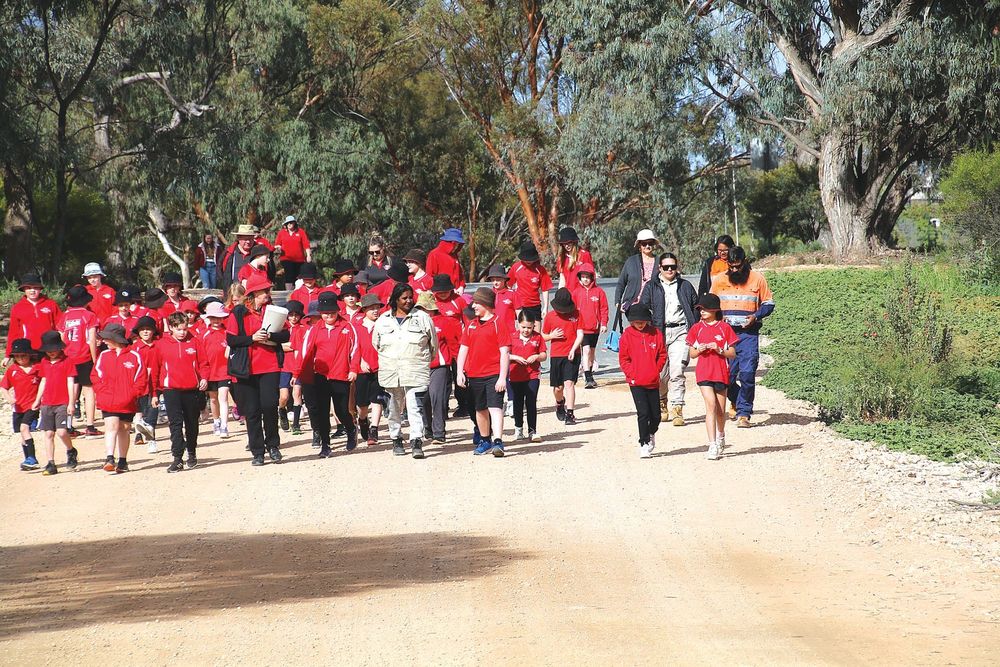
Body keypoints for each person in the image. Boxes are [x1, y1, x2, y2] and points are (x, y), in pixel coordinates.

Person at [226, 273, 290, 466]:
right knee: (252, 412)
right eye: (264, 292)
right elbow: (231, 340)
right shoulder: (238, 313)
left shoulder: (274, 310)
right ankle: (257, 452)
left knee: (270, 406)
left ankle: (273, 446)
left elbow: (286, 334)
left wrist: (270, 335)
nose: (268, 295)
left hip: (269, 365)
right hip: (246, 368)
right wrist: (252, 338)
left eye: (268, 291)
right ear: (253, 294)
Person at [710, 246, 774, 427]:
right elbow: (711, 306)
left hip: (748, 334)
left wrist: (756, 316)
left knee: (747, 374)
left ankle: (744, 414)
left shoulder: (758, 278)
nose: (735, 270)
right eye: (732, 267)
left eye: (738, 266)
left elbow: (769, 303)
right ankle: (739, 402)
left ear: (745, 262)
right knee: (725, 377)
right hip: (726, 335)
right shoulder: (719, 280)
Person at [372, 283, 438, 458]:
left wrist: (420, 361)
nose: (409, 301)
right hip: (391, 373)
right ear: (395, 300)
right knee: (393, 408)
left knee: (415, 407)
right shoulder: (383, 320)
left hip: (416, 371)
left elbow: (433, 347)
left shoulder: (423, 318)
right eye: (404, 298)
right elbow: (376, 344)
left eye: (411, 297)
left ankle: (416, 441)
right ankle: (396, 438)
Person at [637, 252, 698, 425]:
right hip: (659, 333)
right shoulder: (651, 286)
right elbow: (644, 308)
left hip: (681, 332)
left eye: (673, 266)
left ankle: (677, 408)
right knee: (661, 374)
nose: (670, 270)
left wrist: (693, 327)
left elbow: (695, 306)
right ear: (660, 268)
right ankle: (662, 400)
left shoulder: (685, 286)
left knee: (677, 371)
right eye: (666, 267)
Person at [299, 292, 360, 457]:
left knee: (341, 411)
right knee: (322, 411)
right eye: (325, 313)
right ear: (320, 313)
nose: (329, 316)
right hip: (320, 375)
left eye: (332, 312)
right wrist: (302, 373)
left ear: (337, 311)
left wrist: (354, 369)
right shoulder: (314, 329)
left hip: (341, 374)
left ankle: (350, 429)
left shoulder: (347, 327)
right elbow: (306, 352)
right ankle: (325, 445)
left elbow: (355, 350)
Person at [152, 312, 209, 472]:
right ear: (171, 328)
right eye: (178, 329)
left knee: (192, 423)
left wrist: (204, 378)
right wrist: (155, 393)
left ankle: (191, 451)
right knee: (175, 424)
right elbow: (155, 370)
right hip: (171, 390)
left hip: (192, 389)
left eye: (185, 328)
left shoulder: (195, 342)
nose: (182, 332)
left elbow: (204, 363)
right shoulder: (161, 344)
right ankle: (177, 457)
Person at [456, 287, 511, 456]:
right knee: (480, 409)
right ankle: (485, 440)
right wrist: (459, 372)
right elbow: (463, 350)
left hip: (493, 374)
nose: (473, 306)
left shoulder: (497, 323)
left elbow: (505, 352)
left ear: (486, 304)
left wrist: (502, 377)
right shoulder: (471, 325)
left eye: (477, 303)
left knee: (495, 407)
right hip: (474, 375)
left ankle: (498, 441)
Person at [686, 293, 739, 460]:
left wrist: (719, 349)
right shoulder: (696, 328)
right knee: (710, 405)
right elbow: (692, 354)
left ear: (715, 310)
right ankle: (712, 444)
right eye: (700, 309)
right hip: (703, 372)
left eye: (705, 309)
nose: (701, 312)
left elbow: (732, 354)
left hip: (721, 372)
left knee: (720, 411)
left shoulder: (725, 328)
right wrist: (699, 349)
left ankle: (721, 434)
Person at [91, 324, 146, 473]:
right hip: (108, 400)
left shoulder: (134, 356)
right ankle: (109, 458)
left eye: (107, 338)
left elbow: (141, 379)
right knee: (112, 426)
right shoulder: (104, 355)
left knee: (124, 429)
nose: (104, 341)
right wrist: (101, 391)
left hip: (127, 401)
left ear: (116, 339)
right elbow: (95, 376)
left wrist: (132, 394)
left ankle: (123, 461)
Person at [618, 303, 667, 458]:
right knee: (643, 413)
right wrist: (631, 374)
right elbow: (624, 359)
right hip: (636, 382)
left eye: (642, 321)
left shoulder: (656, 333)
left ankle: (651, 433)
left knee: (656, 416)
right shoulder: (627, 335)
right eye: (636, 322)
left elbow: (662, 354)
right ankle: (643, 443)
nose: (639, 324)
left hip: (652, 380)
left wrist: (656, 369)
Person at [416, 291, 459, 445]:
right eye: (420, 308)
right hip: (421, 366)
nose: (423, 311)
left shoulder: (444, 321)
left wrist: (460, 367)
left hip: (440, 366)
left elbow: (454, 346)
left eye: (425, 308)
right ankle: (428, 427)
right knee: (424, 399)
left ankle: (439, 432)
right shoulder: (414, 322)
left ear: (432, 308)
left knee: (437, 397)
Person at [33, 330, 78, 476]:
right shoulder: (44, 362)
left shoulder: (67, 361)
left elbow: (70, 382)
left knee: (62, 432)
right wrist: (37, 400)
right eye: (48, 350)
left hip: (62, 402)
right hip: (47, 402)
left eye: (54, 349)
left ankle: (71, 450)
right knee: (48, 433)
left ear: (60, 347)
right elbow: (43, 381)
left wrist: (72, 403)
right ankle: (50, 463)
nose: (51, 352)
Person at [57, 285, 100, 437]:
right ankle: (90, 425)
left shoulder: (65, 316)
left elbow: (61, 338)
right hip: (84, 357)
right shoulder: (89, 316)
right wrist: (95, 361)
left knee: (71, 391)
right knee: (89, 390)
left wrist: (61, 356)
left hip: (68, 357)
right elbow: (91, 340)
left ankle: (68, 425)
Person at [542, 287, 584, 425]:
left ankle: (570, 414)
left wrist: (573, 349)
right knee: (558, 388)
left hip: (572, 353)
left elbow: (580, 334)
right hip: (556, 355)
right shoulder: (550, 316)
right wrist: (551, 336)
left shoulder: (577, 314)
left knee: (569, 384)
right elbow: (542, 336)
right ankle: (560, 403)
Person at [4, 273, 61, 367]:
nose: (32, 291)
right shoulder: (17, 308)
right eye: (29, 288)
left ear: (40, 289)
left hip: (49, 347)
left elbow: (60, 326)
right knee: (32, 377)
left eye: (36, 287)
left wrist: (61, 346)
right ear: (24, 289)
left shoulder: (51, 304)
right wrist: (8, 354)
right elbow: (13, 332)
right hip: (28, 349)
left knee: (50, 376)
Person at [1, 338, 41, 470]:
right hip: (18, 407)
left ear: (30, 354)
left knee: (25, 428)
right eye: (17, 356)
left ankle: (32, 458)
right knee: (22, 434)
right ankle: (27, 460)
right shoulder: (13, 370)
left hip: (33, 405)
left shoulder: (36, 368)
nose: (21, 358)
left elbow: (45, 384)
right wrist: (9, 399)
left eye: (23, 355)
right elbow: (3, 387)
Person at [508, 311, 546, 442]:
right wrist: (514, 357)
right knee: (517, 402)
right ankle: (518, 429)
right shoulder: (511, 337)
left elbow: (544, 355)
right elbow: (503, 354)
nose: (526, 330)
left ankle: (532, 431)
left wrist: (536, 356)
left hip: (532, 375)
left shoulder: (537, 337)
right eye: (523, 327)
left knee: (531, 401)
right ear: (518, 324)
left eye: (529, 327)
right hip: (515, 375)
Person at [571, 263, 608, 389]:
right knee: (585, 350)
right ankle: (588, 377)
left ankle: (590, 372)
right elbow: (572, 310)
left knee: (591, 352)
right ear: (579, 278)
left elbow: (604, 309)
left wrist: (603, 323)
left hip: (595, 328)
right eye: (583, 277)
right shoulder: (575, 293)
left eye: (588, 276)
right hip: (582, 328)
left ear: (592, 277)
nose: (585, 279)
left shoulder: (599, 292)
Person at [355, 293, 386, 446]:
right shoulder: (357, 326)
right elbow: (353, 348)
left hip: (380, 367)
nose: (375, 311)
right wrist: (360, 361)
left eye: (377, 308)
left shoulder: (384, 324)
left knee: (377, 398)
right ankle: (362, 420)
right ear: (364, 310)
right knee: (362, 404)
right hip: (361, 368)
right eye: (372, 308)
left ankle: (374, 428)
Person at [201, 301, 232, 438]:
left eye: (219, 317)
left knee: (223, 397)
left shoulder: (227, 332)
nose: (216, 320)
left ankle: (225, 426)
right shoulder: (204, 334)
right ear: (208, 318)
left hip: (225, 370)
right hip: (210, 371)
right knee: (213, 399)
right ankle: (216, 421)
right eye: (213, 317)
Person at [131, 316, 161, 453]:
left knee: (152, 411)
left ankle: (151, 439)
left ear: (154, 331)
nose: (145, 332)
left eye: (149, 329)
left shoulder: (159, 345)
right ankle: (139, 433)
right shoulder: (135, 348)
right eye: (142, 329)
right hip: (140, 385)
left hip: (156, 384)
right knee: (139, 412)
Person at [614, 228, 661, 316]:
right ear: (639, 245)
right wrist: (617, 301)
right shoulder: (631, 261)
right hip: (632, 305)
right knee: (637, 329)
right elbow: (621, 283)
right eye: (644, 243)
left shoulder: (660, 262)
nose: (647, 246)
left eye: (650, 243)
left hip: (654, 306)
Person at [507, 241, 552, 327]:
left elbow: (545, 289)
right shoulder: (516, 267)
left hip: (535, 305)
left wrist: (545, 307)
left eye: (530, 259)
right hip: (520, 305)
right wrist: (510, 302)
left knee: (536, 333)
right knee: (523, 331)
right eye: (526, 259)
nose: (528, 261)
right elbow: (508, 285)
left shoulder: (540, 269)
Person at [278, 299, 307, 435]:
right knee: (284, 396)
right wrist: (289, 346)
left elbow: (301, 348)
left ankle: (296, 424)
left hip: (298, 366)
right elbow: (277, 346)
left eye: (296, 315)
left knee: (297, 394)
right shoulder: (282, 328)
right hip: (284, 367)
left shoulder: (302, 329)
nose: (294, 317)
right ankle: (282, 410)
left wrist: (288, 346)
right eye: (291, 315)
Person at [273, 215, 312, 289]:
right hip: (286, 258)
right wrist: (278, 248)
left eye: (291, 222)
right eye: (287, 223)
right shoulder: (281, 233)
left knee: (298, 276)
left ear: (294, 223)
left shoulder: (300, 232)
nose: (289, 224)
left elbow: (306, 245)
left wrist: (308, 255)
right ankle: (289, 292)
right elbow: (277, 244)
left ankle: (298, 291)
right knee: (289, 274)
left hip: (299, 259)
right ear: (285, 225)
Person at [218, 224, 259, 292]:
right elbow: (220, 269)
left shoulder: (259, 252)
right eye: (245, 239)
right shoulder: (230, 253)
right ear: (238, 238)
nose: (248, 242)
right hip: (234, 293)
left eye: (251, 239)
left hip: (254, 292)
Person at [486, 264, 517, 332]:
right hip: (492, 331)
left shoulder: (512, 294)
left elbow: (519, 313)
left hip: (509, 332)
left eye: (498, 280)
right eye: (493, 280)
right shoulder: (488, 294)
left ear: (505, 279)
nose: (495, 282)